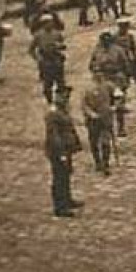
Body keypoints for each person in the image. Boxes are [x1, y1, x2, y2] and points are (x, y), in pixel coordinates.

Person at [44, 86, 83, 218]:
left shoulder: (62, 110)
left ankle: (67, 199)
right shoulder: (53, 113)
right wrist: (61, 153)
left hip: (67, 149)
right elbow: (54, 136)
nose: (67, 99)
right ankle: (60, 207)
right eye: (64, 96)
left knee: (66, 175)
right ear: (57, 96)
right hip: (58, 151)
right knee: (59, 177)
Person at [30, 14, 68, 103]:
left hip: (56, 59)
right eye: (48, 23)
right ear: (43, 24)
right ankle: (50, 101)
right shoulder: (38, 35)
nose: (51, 24)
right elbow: (31, 50)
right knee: (47, 83)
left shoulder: (57, 33)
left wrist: (60, 46)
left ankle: (61, 101)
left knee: (60, 82)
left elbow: (63, 45)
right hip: (45, 61)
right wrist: (38, 58)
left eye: (51, 22)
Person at [83, 76, 117, 175]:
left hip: (106, 119)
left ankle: (106, 163)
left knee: (106, 141)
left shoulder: (109, 86)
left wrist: (114, 107)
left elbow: (119, 96)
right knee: (94, 141)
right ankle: (98, 162)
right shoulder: (88, 89)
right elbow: (84, 104)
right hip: (93, 121)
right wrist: (91, 113)